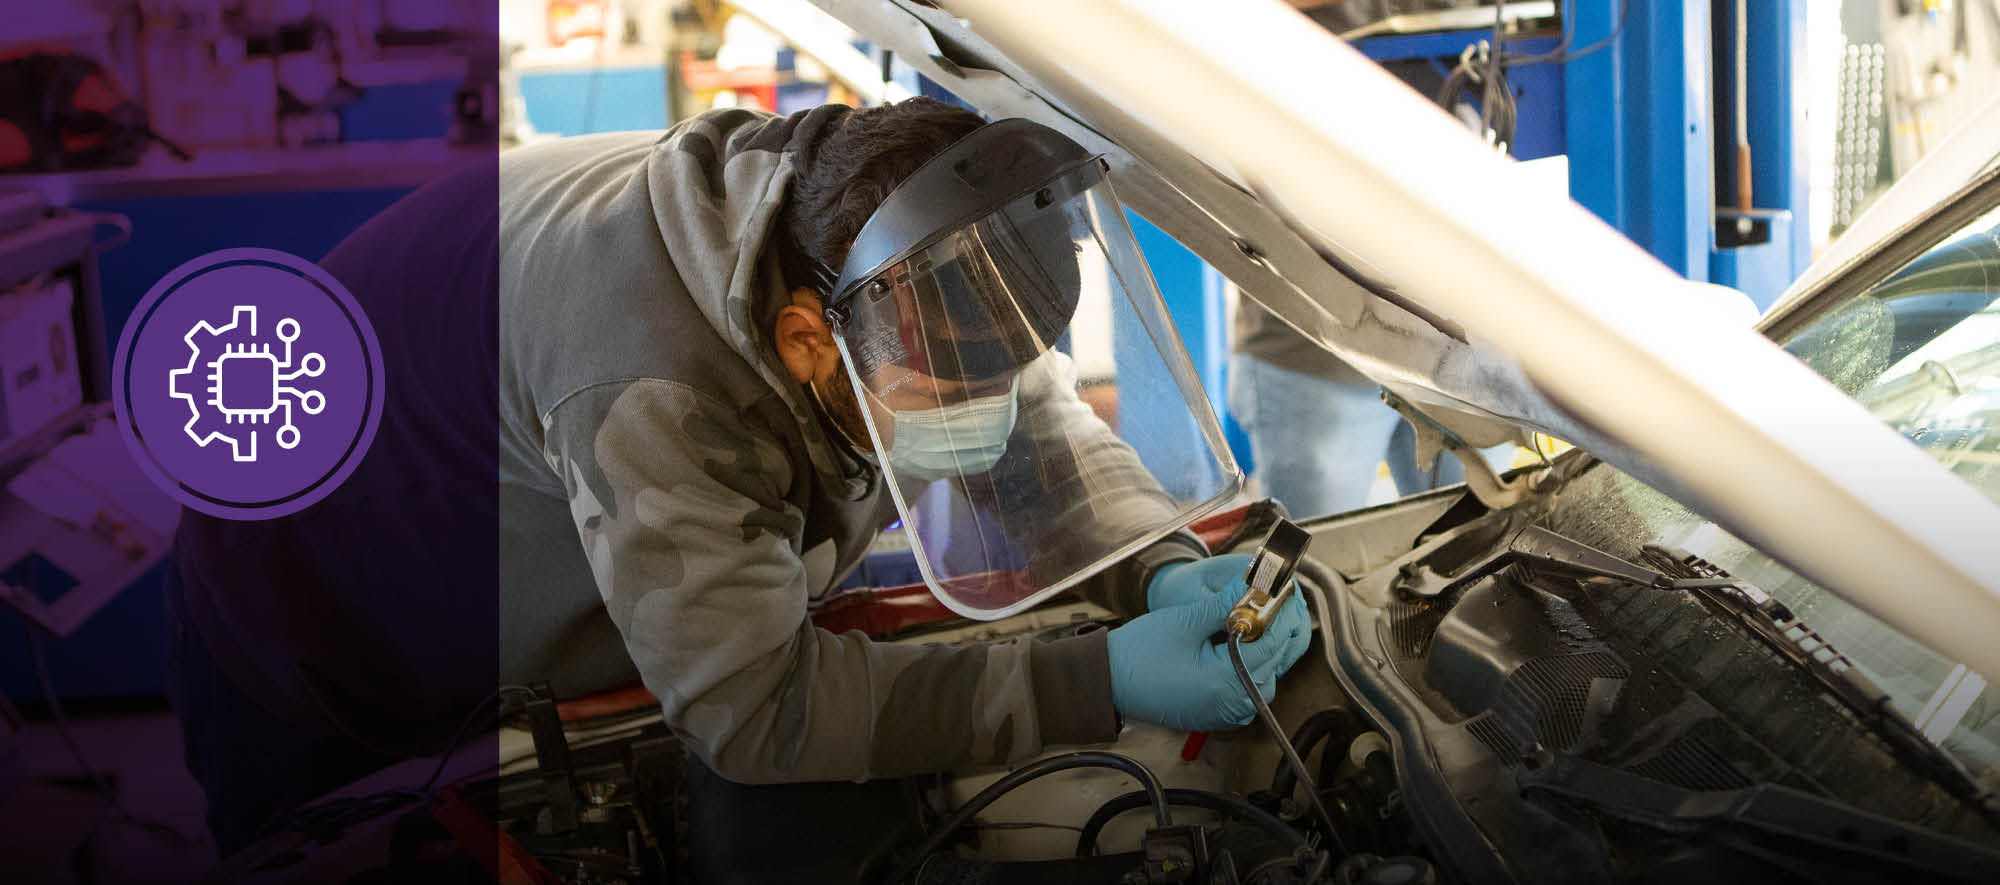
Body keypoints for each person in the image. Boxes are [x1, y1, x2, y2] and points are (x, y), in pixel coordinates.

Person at [167, 98, 1310, 861]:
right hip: (315, 626)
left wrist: (1153, 565)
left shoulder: (870, 230)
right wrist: (1093, 678)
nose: (989, 419)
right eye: (942, 394)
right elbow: (753, 714)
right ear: (808, 338)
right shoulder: (650, 383)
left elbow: (1036, 433)